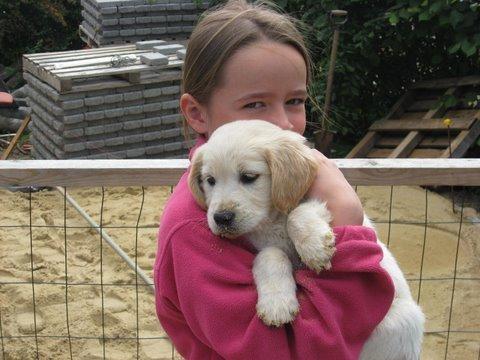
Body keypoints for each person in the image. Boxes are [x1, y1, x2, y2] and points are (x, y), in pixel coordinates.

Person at [154, 1, 395, 359]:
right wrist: (343, 216)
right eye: (255, 105)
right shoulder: (194, 231)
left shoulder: (288, 172)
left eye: (295, 101)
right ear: (196, 113)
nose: (282, 123)